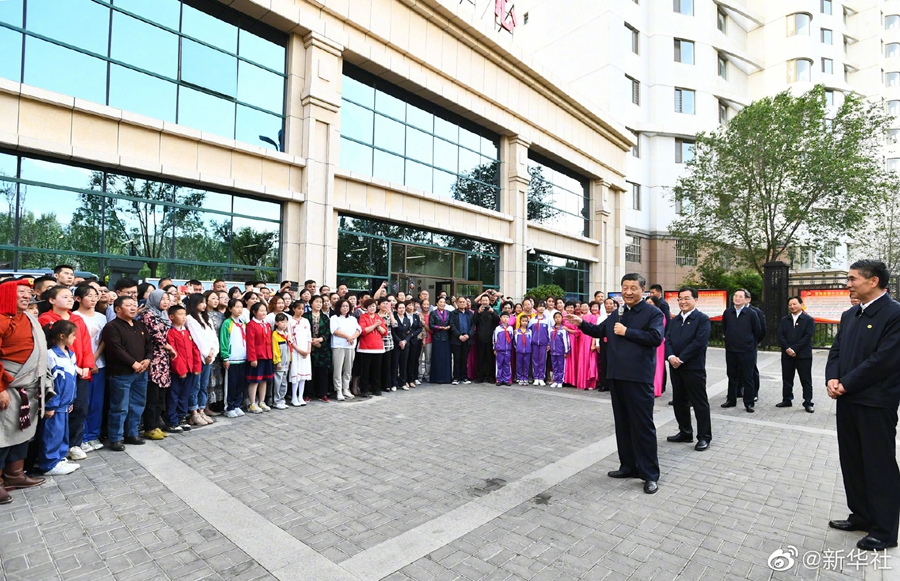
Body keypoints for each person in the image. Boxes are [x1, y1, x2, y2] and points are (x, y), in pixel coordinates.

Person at [826, 260, 900, 552]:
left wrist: (846, 383)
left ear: (873, 281)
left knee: (879, 465)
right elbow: (836, 351)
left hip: (875, 402)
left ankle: (884, 530)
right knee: (852, 461)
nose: (848, 284)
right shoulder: (850, 314)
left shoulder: (894, 314)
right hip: (847, 400)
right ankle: (861, 515)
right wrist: (832, 378)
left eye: (852, 278)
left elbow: (884, 360)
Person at [568, 273, 663, 495]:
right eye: (625, 287)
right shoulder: (618, 313)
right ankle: (628, 466)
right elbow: (599, 330)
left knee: (642, 426)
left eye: (633, 288)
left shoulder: (653, 313)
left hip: (638, 378)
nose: (628, 292)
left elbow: (655, 338)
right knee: (623, 424)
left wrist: (627, 332)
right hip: (617, 377)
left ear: (642, 290)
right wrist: (581, 323)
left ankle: (650, 475)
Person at [0, 279, 48, 502]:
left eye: (29, 293)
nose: (27, 296)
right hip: (7, 386)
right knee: (2, 435)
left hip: (29, 385)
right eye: (21, 292)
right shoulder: (1, 319)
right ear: (7, 293)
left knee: (23, 432)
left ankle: (15, 475)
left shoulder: (29, 318)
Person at [38, 286, 95, 461]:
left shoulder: (77, 319)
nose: (70, 299)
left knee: (80, 408)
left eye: (71, 296)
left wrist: (87, 365)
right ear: (52, 300)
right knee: (57, 411)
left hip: (80, 371)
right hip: (59, 373)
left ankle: (74, 445)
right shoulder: (45, 319)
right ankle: (53, 452)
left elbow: (86, 343)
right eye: (65, 297)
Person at [665, 287, 712, 452]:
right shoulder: (675, 320)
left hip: (693, 368)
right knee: (679, 401)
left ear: (695, 300)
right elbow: (667, 340)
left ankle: (704, 437)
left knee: (699, 402)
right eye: (680, 299)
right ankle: (685, 432)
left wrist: (681, 358)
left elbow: (699, 342)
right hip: (675, 367)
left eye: (686, 298)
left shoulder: (702, 319)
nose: (682, 302)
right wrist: (671, 356)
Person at [102, 296, 152, 451]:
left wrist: (147, 359)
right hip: (121, 373)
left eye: (134, 305)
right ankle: (116, 438)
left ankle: (132, 433)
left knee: (137, 404)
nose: (133, 308)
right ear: (117, 309)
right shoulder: (112, 327)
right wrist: (133, 363)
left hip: (141, 372)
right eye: (128, 305)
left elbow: (149, 344)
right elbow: (116, 349)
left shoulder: (139, 325)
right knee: (120, 407)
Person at [38, 320, 79, 475]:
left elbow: (72, 380)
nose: (75, 338)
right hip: (55, 404)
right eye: (73, 335)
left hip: (65, 403)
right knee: (52, 433)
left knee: (62, 432)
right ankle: (49, 463)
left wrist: (71, 399)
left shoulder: (71, 354)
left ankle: (60, 457)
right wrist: (50, 405)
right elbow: (51, 383)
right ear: (62, 336)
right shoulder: (51, 355)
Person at [721, 289, 762, 412]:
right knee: (732, 376)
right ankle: (731, 400)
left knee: (747, 377)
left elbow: (758, 331)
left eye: (740, 296)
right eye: (736, 296)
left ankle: (749, 403)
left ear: (746, 299)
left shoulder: (751, 313)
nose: (737, 298)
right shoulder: (728, 312)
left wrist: (750, 344)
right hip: (731, 350)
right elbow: (725, 328)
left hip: (747, 351)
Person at [776, 296, 815, 413]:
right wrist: (787, 348)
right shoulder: (785, 320)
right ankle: (787, 399)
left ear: (801, 304)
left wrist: (794, 349)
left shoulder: (808, 320)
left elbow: (807, 336)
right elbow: (780, 335)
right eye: (790, 305)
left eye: (794, 304)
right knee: (787, 378)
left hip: (803, 355)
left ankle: (808, 402)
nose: (792, 307)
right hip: (787, 355)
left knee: (805, 379)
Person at [166, 304, 201, 431]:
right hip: (178, 371)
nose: (183, 317)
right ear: (171, 317)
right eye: (180, 314)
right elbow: (173, 354)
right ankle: (172, 421)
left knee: (184, 395)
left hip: (189, 369)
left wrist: (196, 366)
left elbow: (194, 349)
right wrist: (180, 370)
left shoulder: (187, 332)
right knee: (174, 395)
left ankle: (182, 417)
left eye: (184, 314)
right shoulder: (170, 333)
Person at [184, 295, 217, 426]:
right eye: (201, 302)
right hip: (198, 357)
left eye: (204, 302)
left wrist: (212, 352)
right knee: (195, 385)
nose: (204, 305)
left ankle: (201, 409)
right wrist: (206, 354)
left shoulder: (206, 318)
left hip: (209, 357)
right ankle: (194, 412)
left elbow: (213, 338)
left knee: (204, 385)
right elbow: (197, 339)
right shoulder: (189, 319)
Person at [220, 299, 248, 418]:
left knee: (240, 384)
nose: (239, 309)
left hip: (243, 358)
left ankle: (237, 405)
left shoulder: (243, 323)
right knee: (231, 384)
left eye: (241, 307)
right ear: (230, 309)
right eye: (237, 307)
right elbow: (224, 340)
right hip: (232, 359)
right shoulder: (227, 323)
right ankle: (229, 407)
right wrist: (225, 357)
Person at [245, 302, 273, 413]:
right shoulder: (251, 325)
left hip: (267, 355)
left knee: (264, 380)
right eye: (261, 310)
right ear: (254, 312)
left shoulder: (266, 324)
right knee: (255, 380)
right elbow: (250, 343)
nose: (263, 313)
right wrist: (253, 358)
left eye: (265, 310)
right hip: (257, 356)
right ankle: (252, 403)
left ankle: (262, 401)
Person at [330, 299, 360, 400]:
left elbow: (358, 330)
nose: (345, 308)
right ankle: (338, 390)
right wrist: (348, 337)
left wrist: (352, 337)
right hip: (339, 346)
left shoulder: (352, 319)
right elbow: (334, 331)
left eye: (347, 306)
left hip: (350, 346)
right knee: (338, 369)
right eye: (343, 306)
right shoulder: (334, 318)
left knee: (348, 369)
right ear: (339, 307)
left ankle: (346, 388)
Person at [304, 295, 332, 402]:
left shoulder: (325, 318)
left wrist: (320, 339)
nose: (319, 304)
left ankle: (322, 394)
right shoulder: (305, 316)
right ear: (311, 303)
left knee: (323, 371)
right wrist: (312, 341)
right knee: (310, 371)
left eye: (321, 302)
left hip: (322, 348)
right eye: (317, 302)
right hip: (309, 347)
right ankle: (308, 394)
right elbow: (303, 331)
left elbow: (328, 332)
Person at [357, 298, 387, 398]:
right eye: (370, 306)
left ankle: (376, 388)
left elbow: (384, 332)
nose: (372, 308)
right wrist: (374, 325)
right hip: (366, 347)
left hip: (378, 347)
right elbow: (363, 331)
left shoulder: (378, 317)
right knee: (365, 370)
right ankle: (364, 389)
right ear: (366, 308)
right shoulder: (363, 317)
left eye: (373, 306)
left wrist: (379, 327)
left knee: (376, 370)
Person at [203, 291, 225, 416]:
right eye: (213, 298)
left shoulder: (220, 315)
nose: (216, 301)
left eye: (217, 298)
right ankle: (204, 407)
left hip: (218, 350)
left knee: (216, 379)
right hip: (208, 350)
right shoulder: (202, 315)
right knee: (207, 380)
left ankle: (213, 405)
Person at [288, 300, 312, 405]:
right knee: (296, 374)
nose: (301, 311)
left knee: (303, 375)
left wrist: (308, 350)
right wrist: (298, 349)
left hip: (305, 351)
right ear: (294, 309)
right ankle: (294, 397)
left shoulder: (306, 321)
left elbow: (309, 336)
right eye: (298, 308)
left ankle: (300, 396)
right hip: (295, 350)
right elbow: (290, 338)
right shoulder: (290, 321)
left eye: (302, 309)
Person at [646, 296, 668, 397]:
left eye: (651, 303)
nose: (648, 305)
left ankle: (656, 388)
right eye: (647, 303)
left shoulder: (659, 314)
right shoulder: (645, 314)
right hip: (647, 341)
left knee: (657, 365)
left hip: (657, 342)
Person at [449, 297, 474, 385]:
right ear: (457, 303)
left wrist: (468, 335)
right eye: (460, 302)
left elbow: (473, 326)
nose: (462, 303)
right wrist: (459, 335)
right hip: (457, 339)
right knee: (457, 358)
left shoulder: (470, 313)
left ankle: (464, 377)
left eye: (463, 302)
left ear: (466, 304)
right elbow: (452, 325)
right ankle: (456, 377)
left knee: (464, 359)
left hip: (467, 339)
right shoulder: (453, 313)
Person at [429, 297, 452, 384]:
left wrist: (449, 326)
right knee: (437, 358)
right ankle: (436, 378)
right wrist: (440, 327)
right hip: (437, 337)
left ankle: (446, 378)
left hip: (446, 338)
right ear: (437, 303)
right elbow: (431, 325)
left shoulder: (449, 313)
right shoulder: (433, 313)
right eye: (440, 302)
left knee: (446, 358)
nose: (442, 304)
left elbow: (451, 323)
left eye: (443, 302)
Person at [528, 301, 551, 386]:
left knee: (542, 361)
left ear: (545, 308)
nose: (541, 308)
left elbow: (550, 332)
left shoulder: (547, 320)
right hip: (534, 343)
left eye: (543, 306)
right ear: (536, 308)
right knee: (535, 360)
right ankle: (536, 378)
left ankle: (541, 378)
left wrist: (549, 343)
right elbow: (529, 332)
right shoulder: (532, 320)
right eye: (539, 306)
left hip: (543, 343)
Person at [271, 313, 291, 408]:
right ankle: (276, 400)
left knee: (284, 382)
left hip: (286, 362)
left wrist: (290, 360)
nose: (284, 324)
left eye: (286, 322)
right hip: (279, 363)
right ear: (276, 323)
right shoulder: (275, 335)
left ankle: (282, 399)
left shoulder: (286, 334)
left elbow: (289, 349)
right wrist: (278, 361)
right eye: (282, 322)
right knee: (277, 382)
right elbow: (275, 349)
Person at [392, 301, 413, 390]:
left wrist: (405, 341)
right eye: (400, 308)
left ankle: (403, 382)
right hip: (396, 345)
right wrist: (400, 341)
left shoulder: (407, 320)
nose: (402, 309)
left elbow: (409, 332)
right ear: (396, 309)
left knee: (403, 364)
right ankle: (394, 383)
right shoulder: (394, 319)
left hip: (405, 345)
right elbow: (393, 332)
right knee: (395, 364)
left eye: (403, 308)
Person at [404, 300, 424, 389]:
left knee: (413, 360)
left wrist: (412, 334)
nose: (411, 307)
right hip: (405, 340)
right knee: (405, 361)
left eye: (412, 305)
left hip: (414, 340)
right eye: (409, 305)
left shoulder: (416, 316)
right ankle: (404, 380)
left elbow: (419, 328)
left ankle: (411, 379)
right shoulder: (403, 315)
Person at [548, 312, 570, 388]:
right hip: (553, 351)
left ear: (562, 318)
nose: (557, 319)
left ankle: (560, 381)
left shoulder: (563, 329)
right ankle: (555, 380)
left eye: (559, 317)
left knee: (561, 366)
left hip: (560, 351)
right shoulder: (551, 329)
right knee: (554, 366)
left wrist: (566, 351)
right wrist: (549, 346)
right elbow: (549, 339)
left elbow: (566, 341)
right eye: (556, 317)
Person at [493, 312, 514, 386]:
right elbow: (495, 339)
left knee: (507, 365)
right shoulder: (498, 329)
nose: (505, 319)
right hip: (500, 350)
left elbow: (512, 338)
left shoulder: (510, 328)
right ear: (501, 318)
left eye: (507, 317)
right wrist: (495, 348)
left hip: (507, 350)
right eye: (504, 317)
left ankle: (506, 379)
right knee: (499, 365)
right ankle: (499, 379)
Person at [419, 298, 433, 383]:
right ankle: (419, 375)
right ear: (421, 305)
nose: (426, 306)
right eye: (424, 304)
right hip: (419, 339)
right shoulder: (418, 315)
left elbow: (432, 330)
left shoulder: (432, 315)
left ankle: (427, 374)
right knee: (419, 359)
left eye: (428, 304)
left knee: (428, 359)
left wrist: (425, 325)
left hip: (429, 339)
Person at [514, 320, 532, 386]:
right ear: (520, 322)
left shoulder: (529, 331)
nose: (524, 322)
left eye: (526, 321)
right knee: (519, 364)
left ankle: (525, 377)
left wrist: (528, 348)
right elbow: (515, 341)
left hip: (527, 350)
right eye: (523, 321)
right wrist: (518, 347)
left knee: (526, 364)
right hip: (519, 350)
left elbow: (530, 340)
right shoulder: (517, 331)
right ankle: (519, 377)